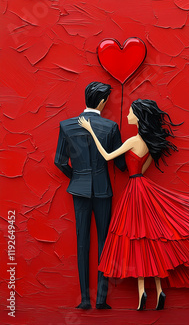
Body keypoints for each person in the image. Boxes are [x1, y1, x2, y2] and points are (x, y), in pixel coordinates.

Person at [78, 99, 189, 311]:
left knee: (138, 238)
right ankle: (160, 289)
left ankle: (142, 291)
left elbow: (107, 156)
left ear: (139, 117)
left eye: (131, 113)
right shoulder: (149, 144)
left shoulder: (133, 141)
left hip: (134, 191)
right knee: (153, 238)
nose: (127, 115)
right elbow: (142, 170)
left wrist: (90, 130)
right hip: (145, 188)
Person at [54, 81, 127, 310]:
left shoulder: (67, 126)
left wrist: (76, 177)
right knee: (104, 243)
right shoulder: (110, 127)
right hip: (103, 190)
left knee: (82, 242)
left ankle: (85, 299)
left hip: (79, 188)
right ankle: (101, 299)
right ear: (103, 102)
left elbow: (59, 161)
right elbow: (121, 165)